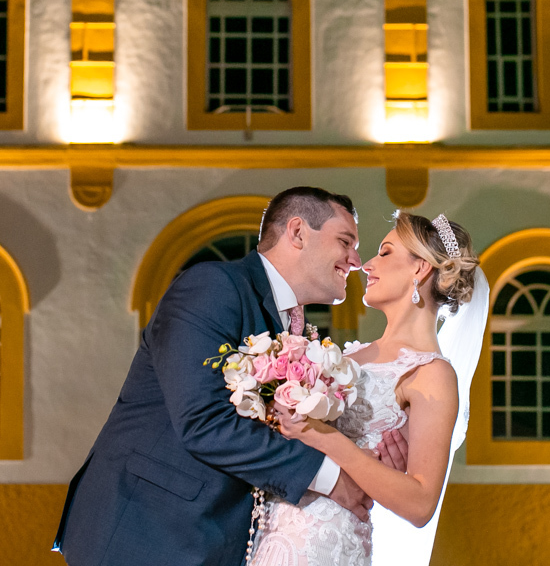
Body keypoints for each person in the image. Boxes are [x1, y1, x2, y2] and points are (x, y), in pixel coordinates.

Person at [53, 186, 406, 566]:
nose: (355, 260)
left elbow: (285, 429)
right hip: (148, 529)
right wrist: (332, 479)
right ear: (298, 233)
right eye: (345, 241)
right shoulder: (213, 287)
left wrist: (367, 462)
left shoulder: (298, 334)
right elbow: (202, 421)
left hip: (222, 540)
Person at [250, 210, 481, 566]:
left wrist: (324, 437)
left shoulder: (431, 373)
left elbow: (420, 505)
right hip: (271, 528)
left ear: (420, 269)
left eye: (385, 252)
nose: (367, 265)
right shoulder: (351, 354)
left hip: (326, 543)